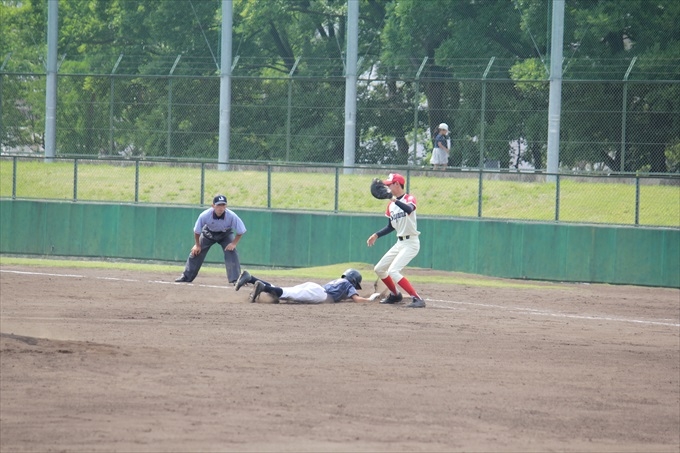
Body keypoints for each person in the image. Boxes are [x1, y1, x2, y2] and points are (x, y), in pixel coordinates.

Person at [366, 173, 425, 308]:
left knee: (393, 271)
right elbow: (390, 226)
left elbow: (409, 209)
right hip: (400, 243)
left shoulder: (409, 198)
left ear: (397, 184)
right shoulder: (391, 205)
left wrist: (392, 199)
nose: (387, 188)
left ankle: (417, 299)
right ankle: (395, 295)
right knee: (379, 269)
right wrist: (376, 235)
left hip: (411, 243)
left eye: (389, 185)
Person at [175, 194, 247, 284]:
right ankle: (186, 276)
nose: (221, 208)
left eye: (223, 205)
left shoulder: (231, 216)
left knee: (231, 251)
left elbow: (241, 230)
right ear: (213, 206)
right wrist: (197, 245)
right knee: (196, 251)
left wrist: (233, 244)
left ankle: (235, 280)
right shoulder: (205, 215)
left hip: (225, 234)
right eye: (218, 205)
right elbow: (197, 231)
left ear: (226, 206)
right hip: (208, 233)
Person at [235, 268, 380, 304]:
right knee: (286, 293)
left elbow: (345, 297)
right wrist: (370, 299)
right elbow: (356, 299)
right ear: (354, 280)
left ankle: (251, 278)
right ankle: (262, 287)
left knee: (285, 291)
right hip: (320, 294)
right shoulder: (348, 284)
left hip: (315, 287)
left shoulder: (340, 281)